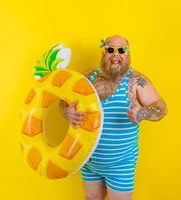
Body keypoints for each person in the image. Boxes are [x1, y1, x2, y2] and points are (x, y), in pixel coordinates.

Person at [59, 35, 167, 200]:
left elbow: (161, 107)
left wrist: (143, 113)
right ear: (103, 53)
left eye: (121, 50)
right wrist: (67, 112)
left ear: (128, 54)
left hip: (120, 165)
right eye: (110, 50)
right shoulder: (88, 77)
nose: (115, 55)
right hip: (89, 162)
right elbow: (63, 100)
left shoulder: (136, 81)